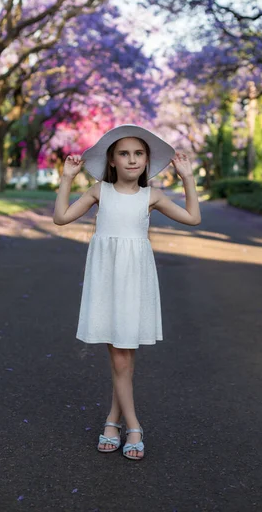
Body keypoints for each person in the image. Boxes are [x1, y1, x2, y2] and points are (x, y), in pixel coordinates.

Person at [53, 124, 201, 461]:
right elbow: (61, 218)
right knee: (121, 357)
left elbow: (193, 217)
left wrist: (187, 179)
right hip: (107, 279)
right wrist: (66, 178)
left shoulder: (153, 196)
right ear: (113, 160)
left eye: (138, 154)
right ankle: (133, 425)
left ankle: (112, 422)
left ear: (147, 160)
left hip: (136, 280)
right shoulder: (98, 191)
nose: (132, 160)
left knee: (126, 358)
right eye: (124, 153)